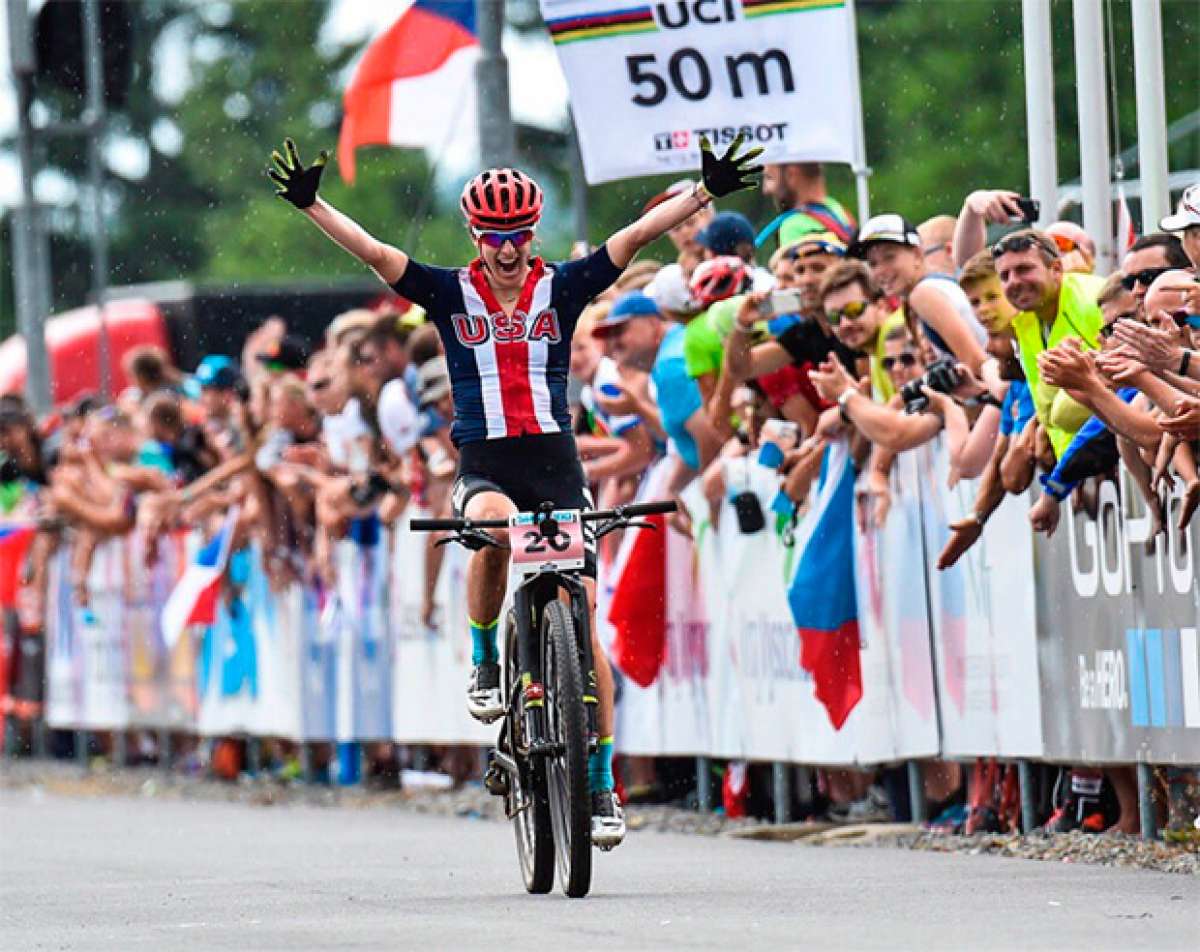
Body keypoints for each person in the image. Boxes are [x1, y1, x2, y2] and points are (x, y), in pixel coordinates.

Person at [268, 133, 762, 846]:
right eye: (495, 236)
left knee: (584, 623)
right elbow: (375, 253)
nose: (507, 249)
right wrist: (313, 206)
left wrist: (703, 191)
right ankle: (485, 658)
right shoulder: (447, 291)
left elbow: (633, 236)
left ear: (534, 234)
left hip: (556, 463)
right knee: (497, 530)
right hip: (486, 464)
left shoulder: (562, 285)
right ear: (476, 235)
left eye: (520, 235)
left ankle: (600, 780)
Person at [991, 228, 1105, 459]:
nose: (1014, 282)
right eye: (1005, 276)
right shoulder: (1024, 320)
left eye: (1024, 269)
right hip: (1078, 461)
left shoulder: (1094, 301)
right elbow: (1046, 410)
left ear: (1056, 269)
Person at [850, 213, 988, 374]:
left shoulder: (923, 294)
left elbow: (977, 363)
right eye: (873, 263)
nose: (880, 271)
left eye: (889, 257)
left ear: (917, 254)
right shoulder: (933, 286)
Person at [758, 161, 855, 248]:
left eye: (769, 177)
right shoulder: (838, 210)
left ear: (791, 174)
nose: (765, 190)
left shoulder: (792, 226)